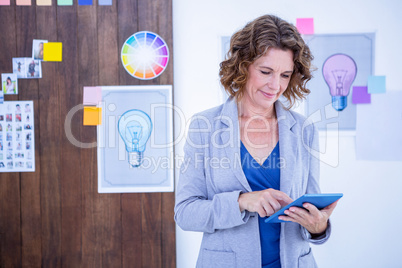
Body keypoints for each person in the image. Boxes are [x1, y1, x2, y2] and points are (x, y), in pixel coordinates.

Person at [174, 15, 338, 268]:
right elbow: (185, 214)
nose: (276, 85)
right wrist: (241, 201)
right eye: (265, 71)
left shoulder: (304, 130)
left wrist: (319, 226)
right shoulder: (204, 126)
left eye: (285, 74)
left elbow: (310, 208)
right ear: (243, 66)